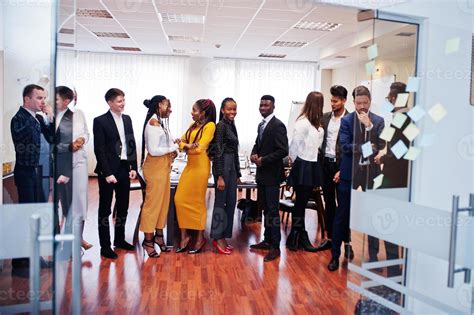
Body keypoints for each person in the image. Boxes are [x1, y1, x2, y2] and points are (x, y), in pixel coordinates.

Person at [328, 86, 385, 271]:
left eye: (365, 103)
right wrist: (368, 147)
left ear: (370, 101)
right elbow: (345, 147)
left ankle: (374, 257)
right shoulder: (347, 120)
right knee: (342, 215)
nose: (362, 107)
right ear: (353, 102)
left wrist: (369, 127)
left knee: (372, 215)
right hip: (349, 173)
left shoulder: (378, 121)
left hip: (371, 174)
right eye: (358, 103)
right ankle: (335, 255)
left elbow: (381, 145)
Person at [10, 84, 54, 277]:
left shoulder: (37, 118)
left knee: (36, 215)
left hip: (37, 172)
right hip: (25, 172)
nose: (43, 101)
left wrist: (49, 118)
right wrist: (37, 118)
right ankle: (20, 261)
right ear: (27, 99)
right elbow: (21, 136)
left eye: (44, 98)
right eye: (39, 98)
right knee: (26, 216)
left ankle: (34, 256)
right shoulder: (19, 118)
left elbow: (52, 138)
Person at [93, 88, 137, 259]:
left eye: (123, 100)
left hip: (124, 168)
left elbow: (131, 143)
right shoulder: (100, 121)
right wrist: (107, 172)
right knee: (105, 210)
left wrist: (133, 167)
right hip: (108, 171)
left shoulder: (127, 119)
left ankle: (119, 239)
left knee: (123, 206)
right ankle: (105, 246)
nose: (123, 103)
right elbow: (100, 149)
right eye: (119, 101)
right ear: (110, 103)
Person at [372, 82, 409, 276]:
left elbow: (402, 153)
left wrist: (382, 157)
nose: (388, 101)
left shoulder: (403, 119)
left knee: (388, 220)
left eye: (389, 98)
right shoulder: (400, 118)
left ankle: (394, 267)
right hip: (398, 178)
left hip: (395, 179)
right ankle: (394, 265)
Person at [249, 95, 288, 262]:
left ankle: (275, 247)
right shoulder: (261, 124)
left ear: (273, 107)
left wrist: (263, 160)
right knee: (265, 208)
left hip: (272, 175)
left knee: (273, 211)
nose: (263, 107)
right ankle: (267, 240)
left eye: (266, 105)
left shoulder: (278, 125)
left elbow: (283, 151)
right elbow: (258, 144)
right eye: (261, 104)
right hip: (262, 175)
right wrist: (253, 153)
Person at [174, 99, 216, 254]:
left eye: (194, 110)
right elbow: (181, 140)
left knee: (197, 203)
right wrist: (186, 145)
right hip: (190, 167)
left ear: (203, 112)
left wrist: (185, 146)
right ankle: (185, 236)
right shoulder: (193, 126)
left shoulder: (210, 126)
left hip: (200, 168)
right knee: (179, 199)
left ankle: (199, 238)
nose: (191, 113)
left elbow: (199, 149)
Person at [139, 95, 178, 258]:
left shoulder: (159, 122)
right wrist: (175, 146)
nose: (170, 109)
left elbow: (163, 146)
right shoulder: (153, 123)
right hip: (155, 168)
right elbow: (154, 150)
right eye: (167, 106)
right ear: (157, 106)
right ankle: (148, 241)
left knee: (163, 204)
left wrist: (172, 148)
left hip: (163, 167)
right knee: (152, 205)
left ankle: (159, 236)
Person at [317, 85, 353, 260]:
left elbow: (350, 149)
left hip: (342, 167)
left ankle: (347, 242)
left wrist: (342, 169)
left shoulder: (351, 119)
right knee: (329, 203)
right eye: (331, 100)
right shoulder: (324, 118)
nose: (332, 103)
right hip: (326, 165)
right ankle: (331, 238)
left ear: (344, 101)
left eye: (336, 101)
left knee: (343, 207)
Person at [286, 91, 324, 252]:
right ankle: (298, 236)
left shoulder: (317, 123)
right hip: (303, 164)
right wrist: (293, 161)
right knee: (300, 203)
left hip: (312, 164)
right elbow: (295, 144)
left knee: (301, 203)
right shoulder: (303, 122)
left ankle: (297, 237)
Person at [55, 86, 92, 250]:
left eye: (56, 98)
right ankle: (64, 240)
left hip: (78, 162)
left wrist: (81, 141)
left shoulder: (79, 114)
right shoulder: (49, 116)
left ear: (66, 101)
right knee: (64, 202)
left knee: (79, 200)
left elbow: (86, 133)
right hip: (60, 164)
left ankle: (78, 237)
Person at [209, 98, 241, 255]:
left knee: (231, 202)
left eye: (234, 109)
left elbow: (235, 150)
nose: (232, 112)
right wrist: (220, 176)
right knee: (220, 203)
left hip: (231, 167)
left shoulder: (231, 125)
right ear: (222, 110)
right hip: (222, 166)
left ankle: (223, 235)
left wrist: (238, 173)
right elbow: (218, 151)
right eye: (229, 109)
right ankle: (217, 237)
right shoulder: (220, 126)